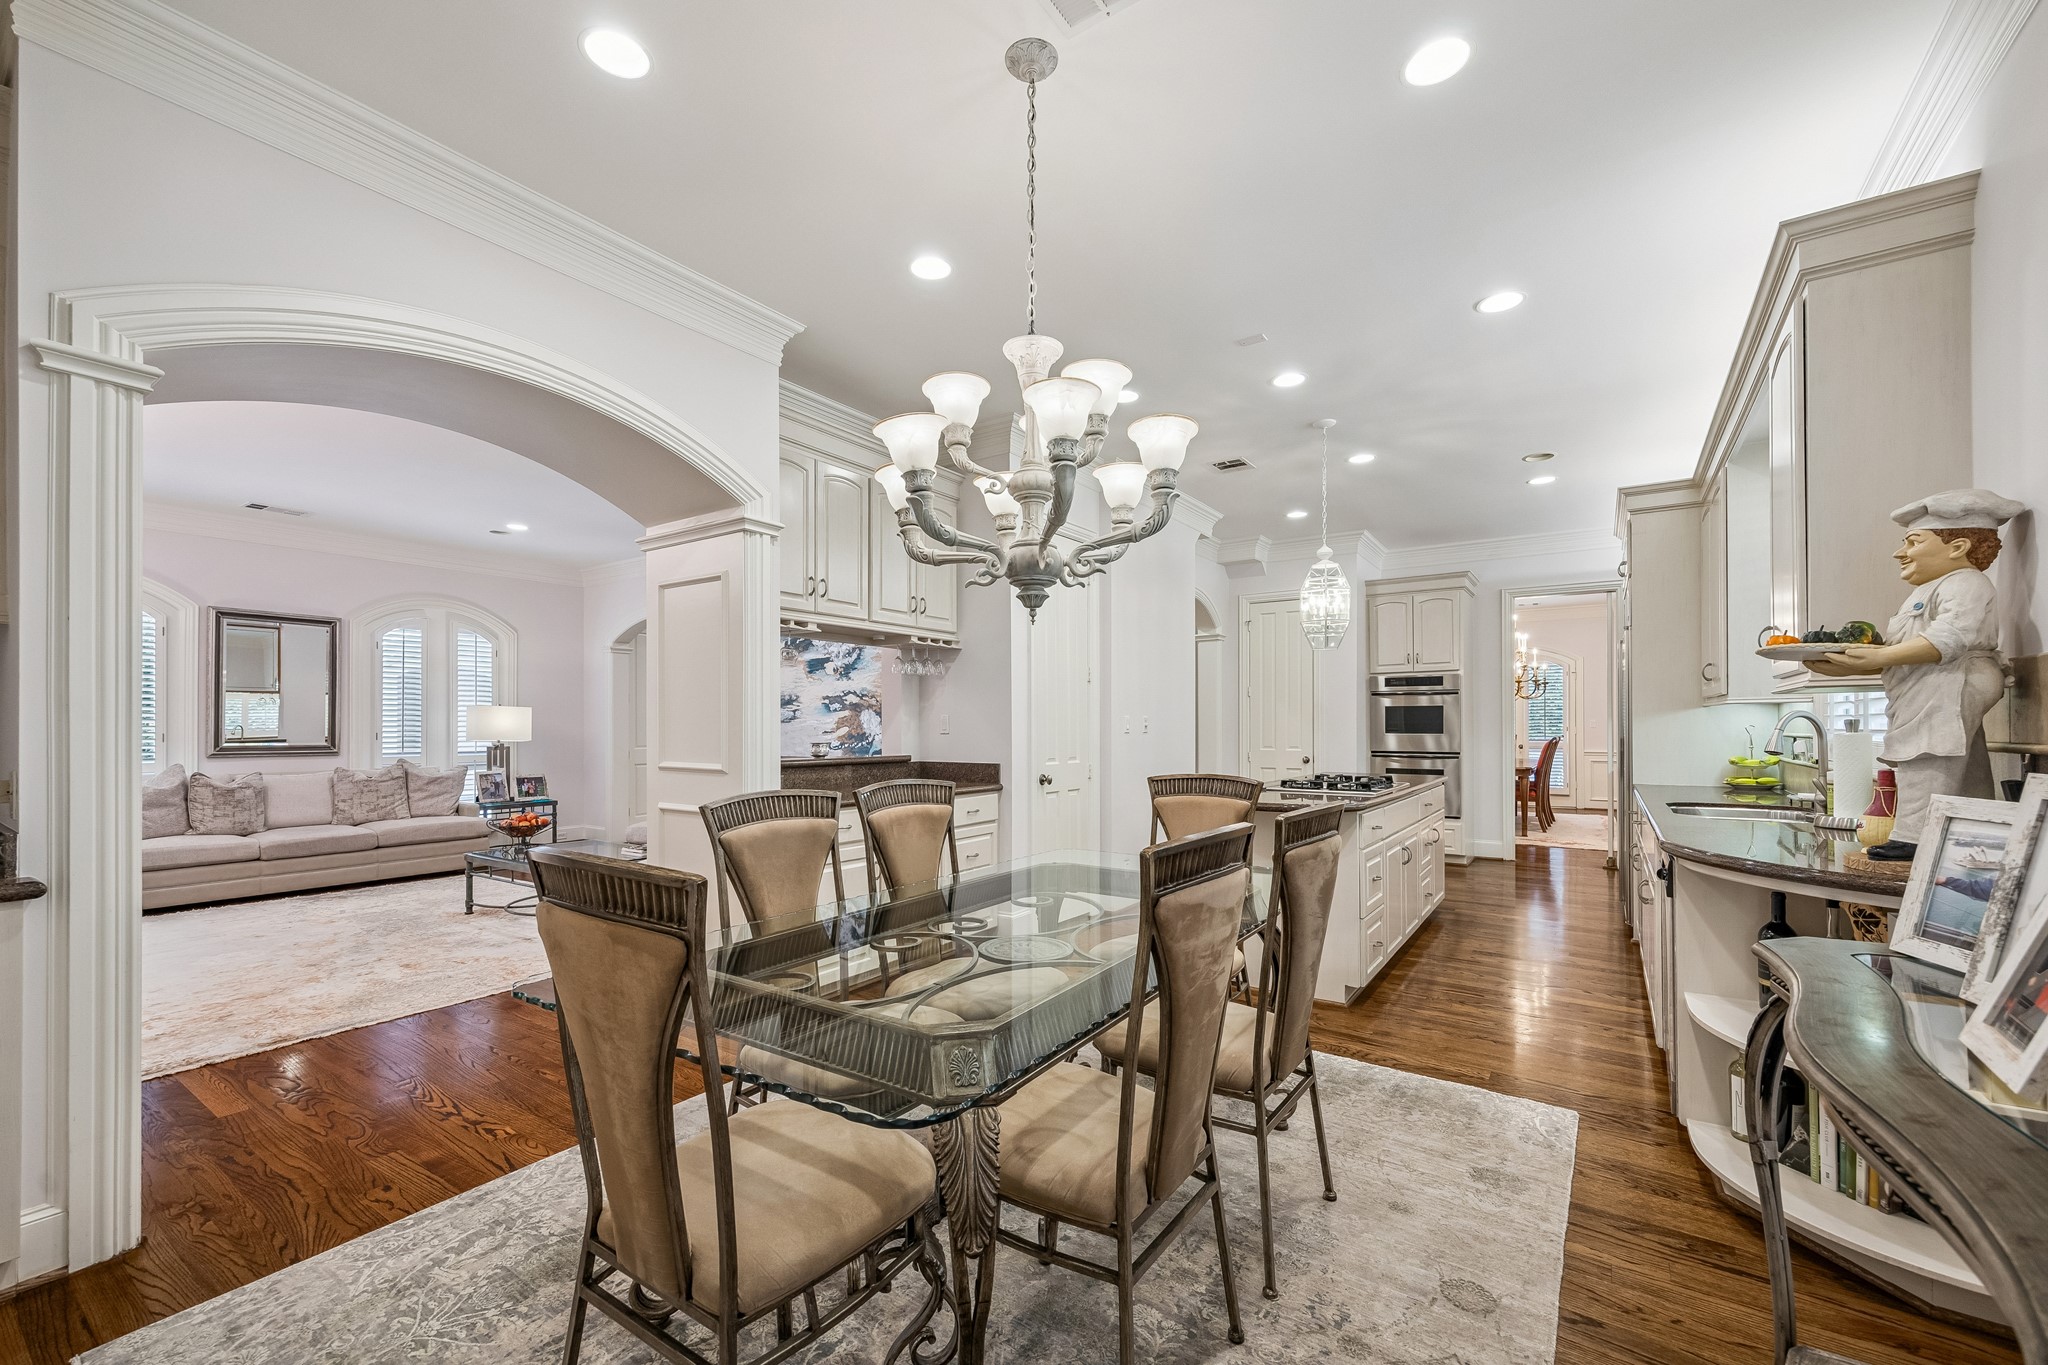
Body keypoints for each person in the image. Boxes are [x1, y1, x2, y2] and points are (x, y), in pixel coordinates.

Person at [1806, 488, 2023, 860]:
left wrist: (1882, 655)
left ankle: (1914, 837)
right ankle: (1974, 829)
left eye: (1912, 541)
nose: (1899, 552)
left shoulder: (1965, 582)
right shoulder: (1930, 589)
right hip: (1938, 680)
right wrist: (1839, 662)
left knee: (1926, 753)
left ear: (1957, 546)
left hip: (1951, 679)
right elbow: (1903, 651)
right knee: (1959, 760)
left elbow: (1948, 639)